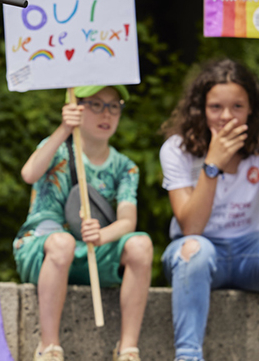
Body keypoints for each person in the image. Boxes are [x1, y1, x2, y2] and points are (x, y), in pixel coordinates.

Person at [159, 58, 259, 361]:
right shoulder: (176, 149)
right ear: (201, 109)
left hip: (251, 254)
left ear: (251, 108)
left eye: (237, 106)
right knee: (195, 249)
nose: (226, 116)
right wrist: (212, 165)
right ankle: (188, 356)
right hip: (198, 254)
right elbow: (191, 228)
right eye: (216, 107)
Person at [14, 85, 153, 361]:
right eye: (96, 104)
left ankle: (127, 349)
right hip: (43, 250)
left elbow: (127, 221)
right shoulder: (56, 147)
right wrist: (64, 129)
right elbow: (29, 173)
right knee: (62, 242)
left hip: (91, 252)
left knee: (141, 244)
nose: (107, 114)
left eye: (114, 106)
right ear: (76, 106)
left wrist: (102, 235)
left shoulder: (126, 167)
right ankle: (48, 347)